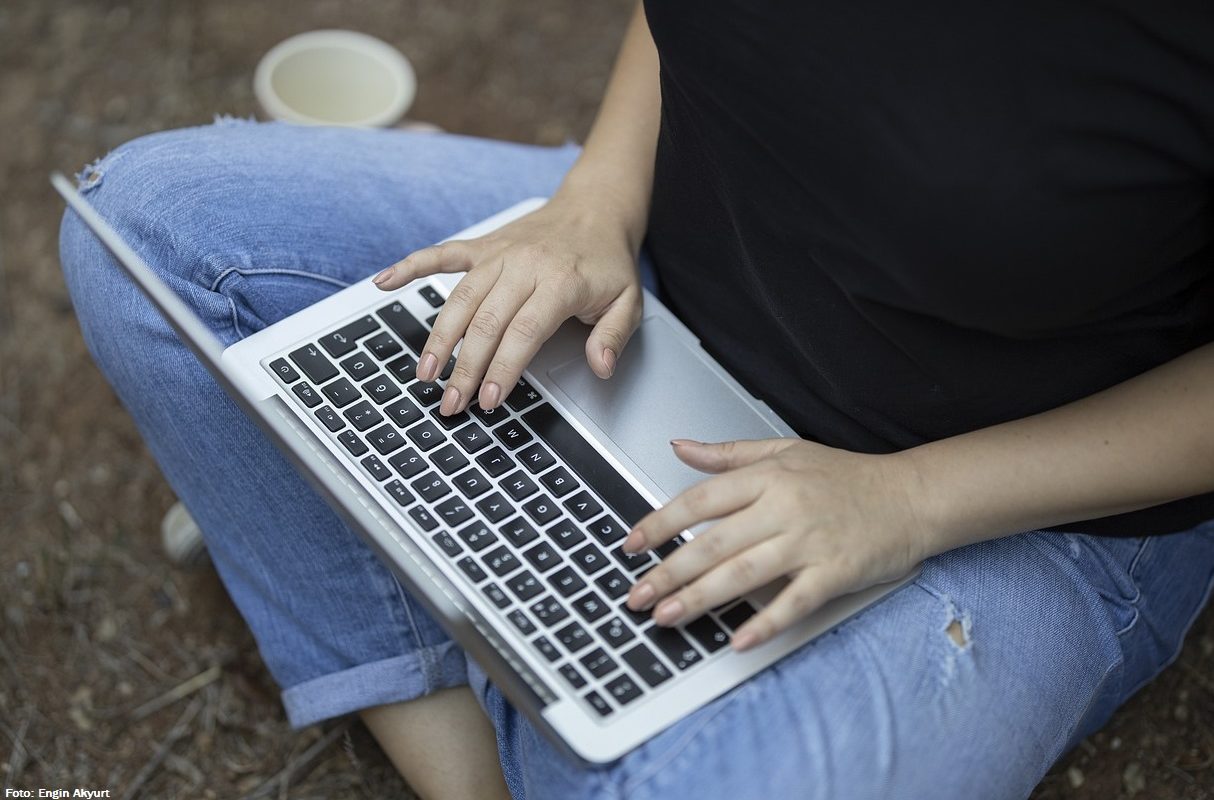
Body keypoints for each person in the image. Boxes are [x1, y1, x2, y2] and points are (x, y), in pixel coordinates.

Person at [59, 2, 1214, 798]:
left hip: (1011, 495)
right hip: (661, 278)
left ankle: (369, 538)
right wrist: (594, 198)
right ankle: (473, 762)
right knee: (152, 234)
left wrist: (908, 500)